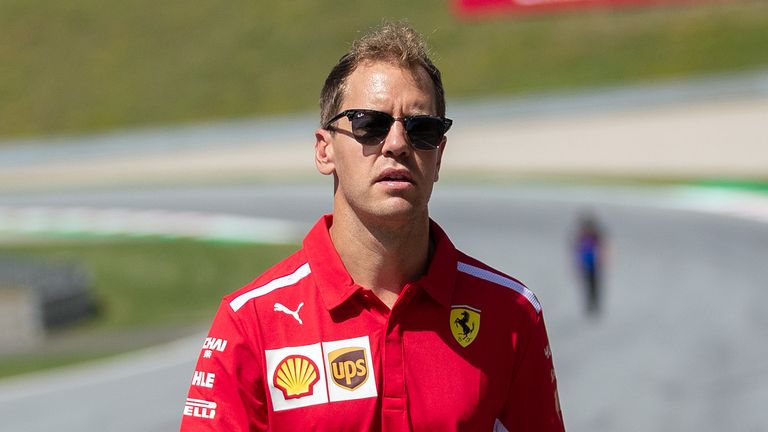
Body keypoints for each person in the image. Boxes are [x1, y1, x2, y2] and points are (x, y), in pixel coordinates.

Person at [180, 22, 565, 432]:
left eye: (422, 129)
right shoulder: (251, 322)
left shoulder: (512, 313)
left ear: (439, 155)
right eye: (370, 124)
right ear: (325, 150)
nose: (397, 143)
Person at [573, 212, 604, 317]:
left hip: (593, 263)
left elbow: (601, 248)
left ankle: (594, 304)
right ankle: (590, 305)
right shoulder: (582, 235)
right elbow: (577, 249)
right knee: (588, 285)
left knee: (594, 285)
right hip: (587, 263)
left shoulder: (594, 235)